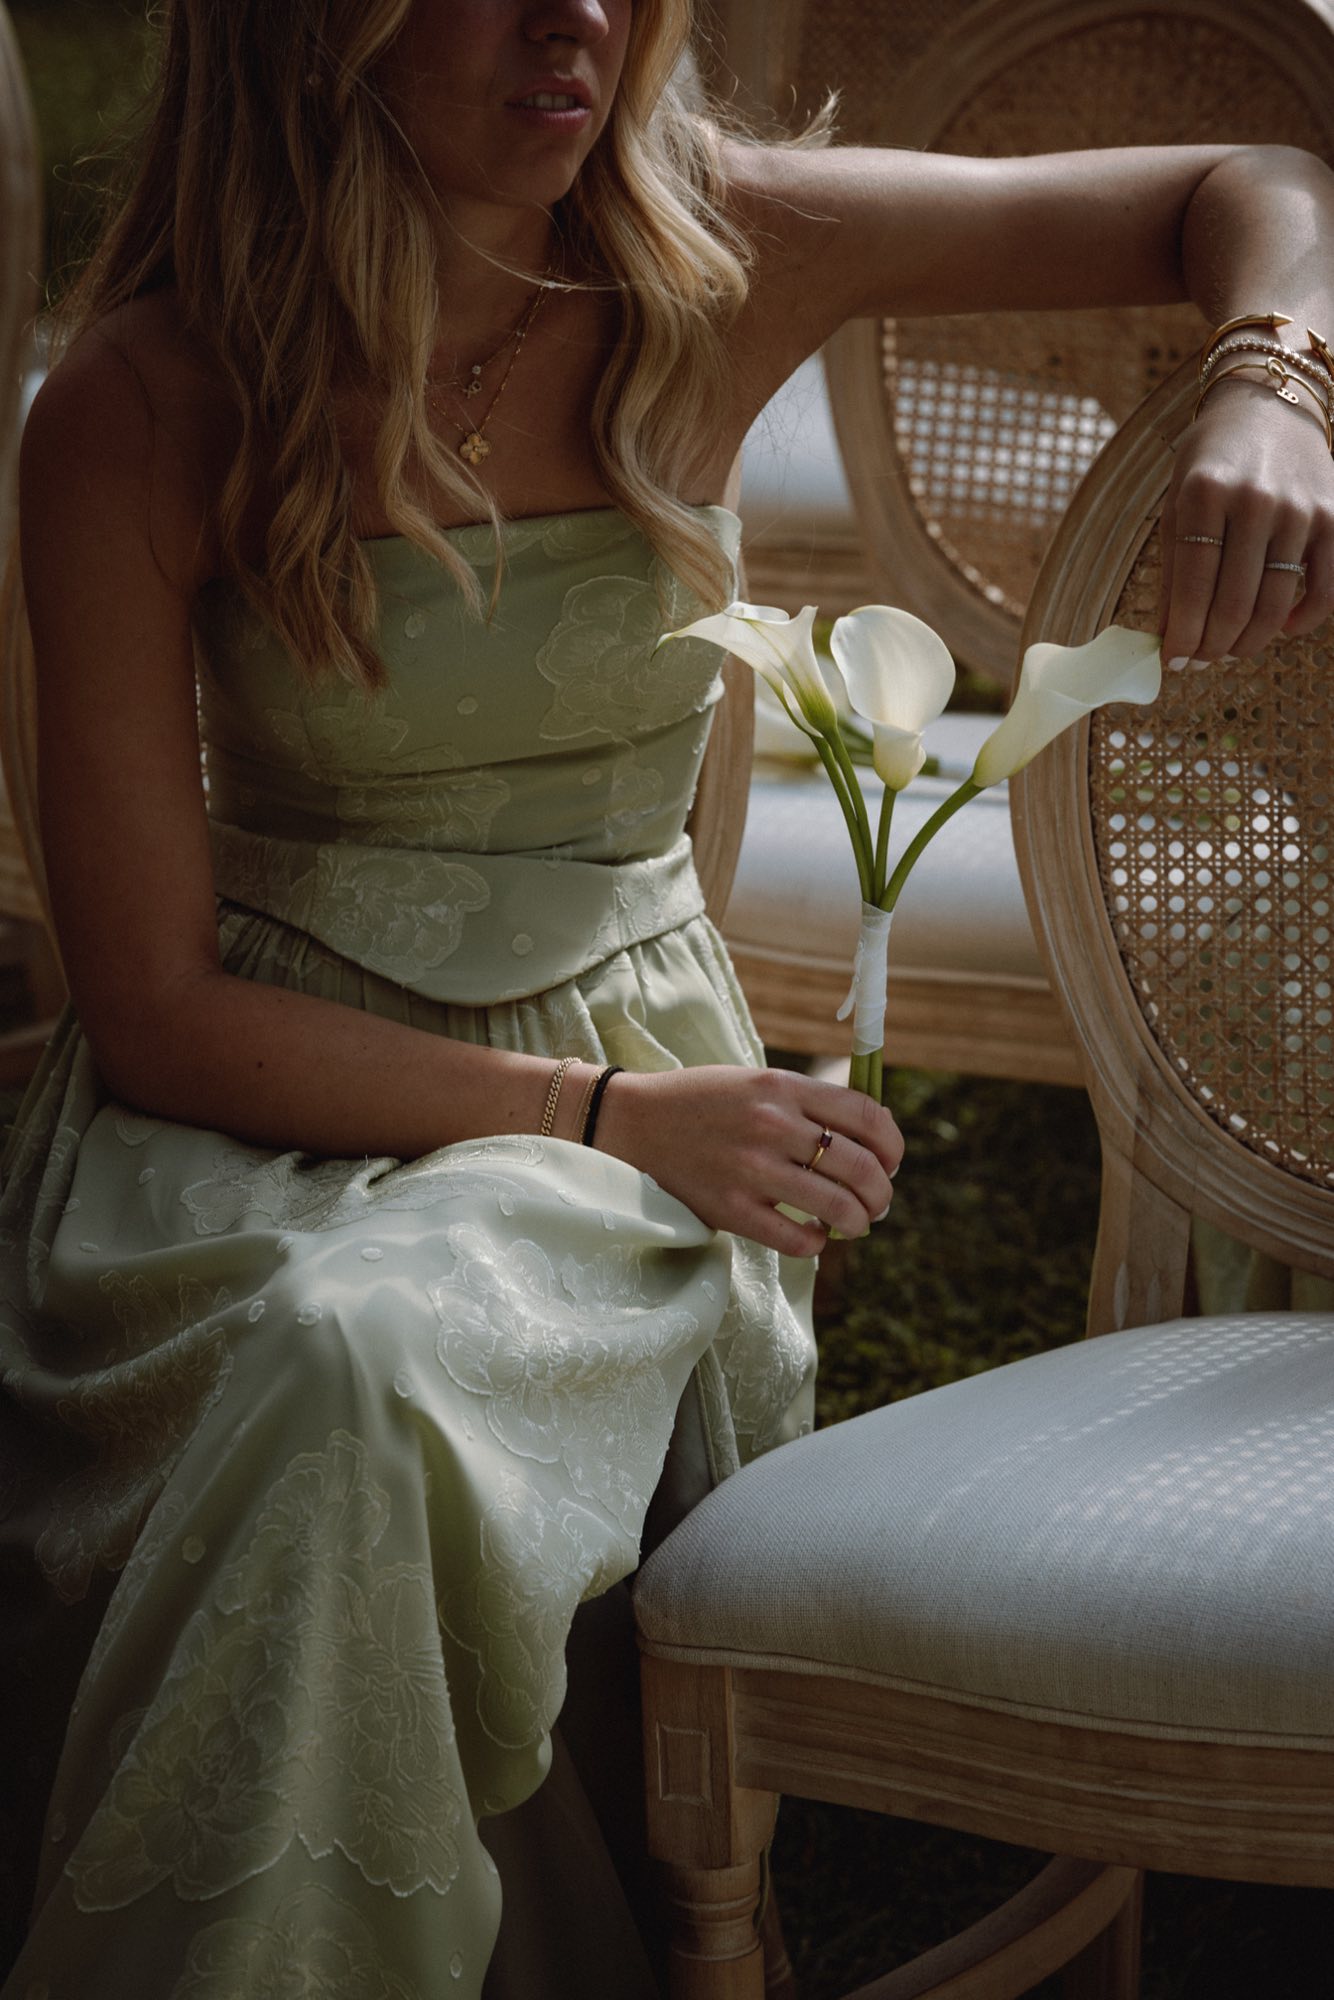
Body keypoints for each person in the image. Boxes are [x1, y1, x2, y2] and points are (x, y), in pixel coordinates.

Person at [3, 1, 1334, 1994]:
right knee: (324, 1353)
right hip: (265, 1104)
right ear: (312, 31)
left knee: (357, 1361)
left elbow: (1260, 185)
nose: (583, 25)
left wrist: (1275, 376)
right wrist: (608, 1120)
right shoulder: (139, 403)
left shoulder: (725, 248)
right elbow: (159, 1012)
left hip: (636, 1091)